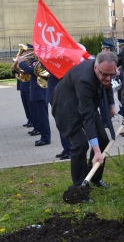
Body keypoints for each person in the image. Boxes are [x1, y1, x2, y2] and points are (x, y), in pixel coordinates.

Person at [50, 51, 118, 196]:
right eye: (105, 74)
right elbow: (87, 116)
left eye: (112, 74)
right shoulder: (85, 80)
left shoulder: (105, 71)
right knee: (80, 144)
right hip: (66, 107)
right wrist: (97, 151)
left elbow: (107, 85)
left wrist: (111, 104)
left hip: (85, 102)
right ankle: (80, 186)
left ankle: (94, 177)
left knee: (103, 140)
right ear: (95, 68)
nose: (108, 78)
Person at [18, 53, 51, 146]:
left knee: (43, 117)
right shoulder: (36, 61)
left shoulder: (43, 61)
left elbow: (32, 70)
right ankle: (43, 136)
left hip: (40, 93)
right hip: (36, 92)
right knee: (40, 117)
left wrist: (21, 62)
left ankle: (46, 137)